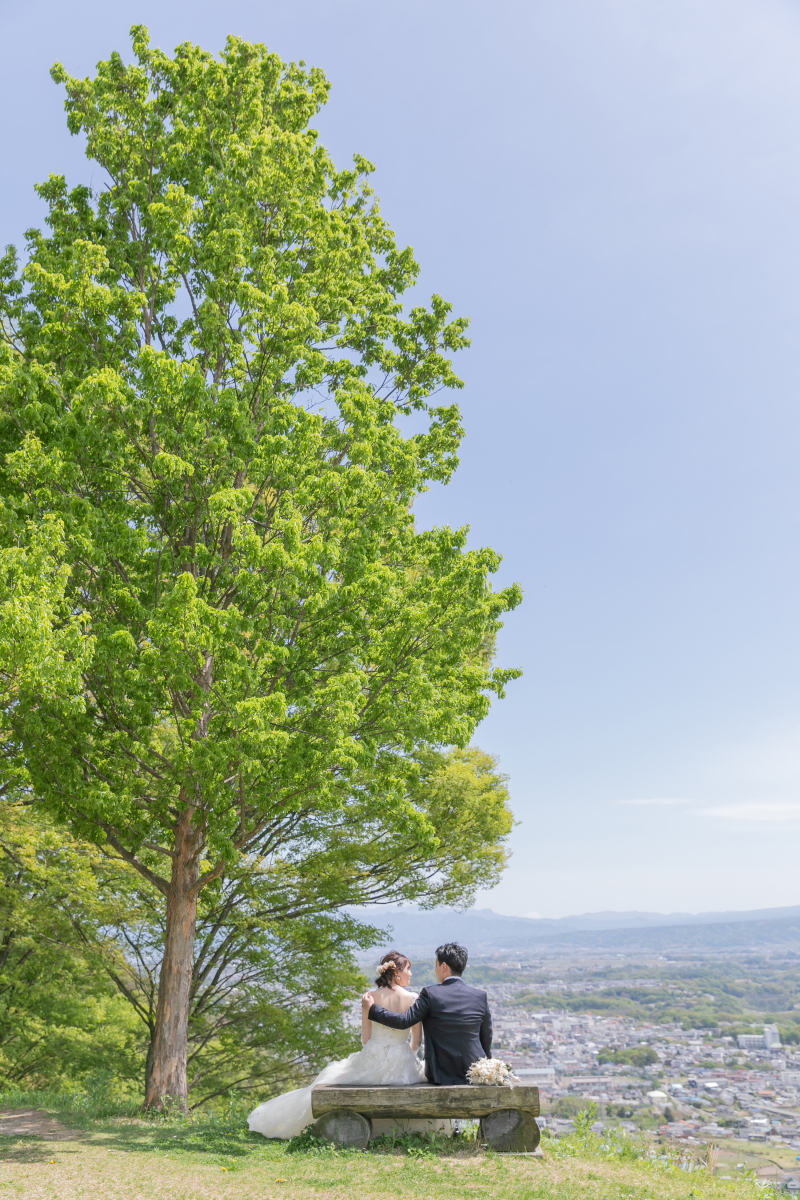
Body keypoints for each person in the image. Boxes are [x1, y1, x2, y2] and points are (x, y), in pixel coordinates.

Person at [247, 950, 426, 1140]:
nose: (411, 973)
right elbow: (417, 1041)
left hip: (374, 1055)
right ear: (397, 972)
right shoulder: (413, 999)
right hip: (402, 1059)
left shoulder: (369, 998)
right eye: (409, 969)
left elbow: (366, 1040)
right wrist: (406, 1054)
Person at [363, 942, 491, 1085]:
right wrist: (487, 1067)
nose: (435, 970)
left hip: (440, 1073)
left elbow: (404, 1021)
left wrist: (373, 1009)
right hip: (475, 1072)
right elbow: (486, 1037)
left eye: (436, 966)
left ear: (444, 967)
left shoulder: (430, 994)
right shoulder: (480, 996)